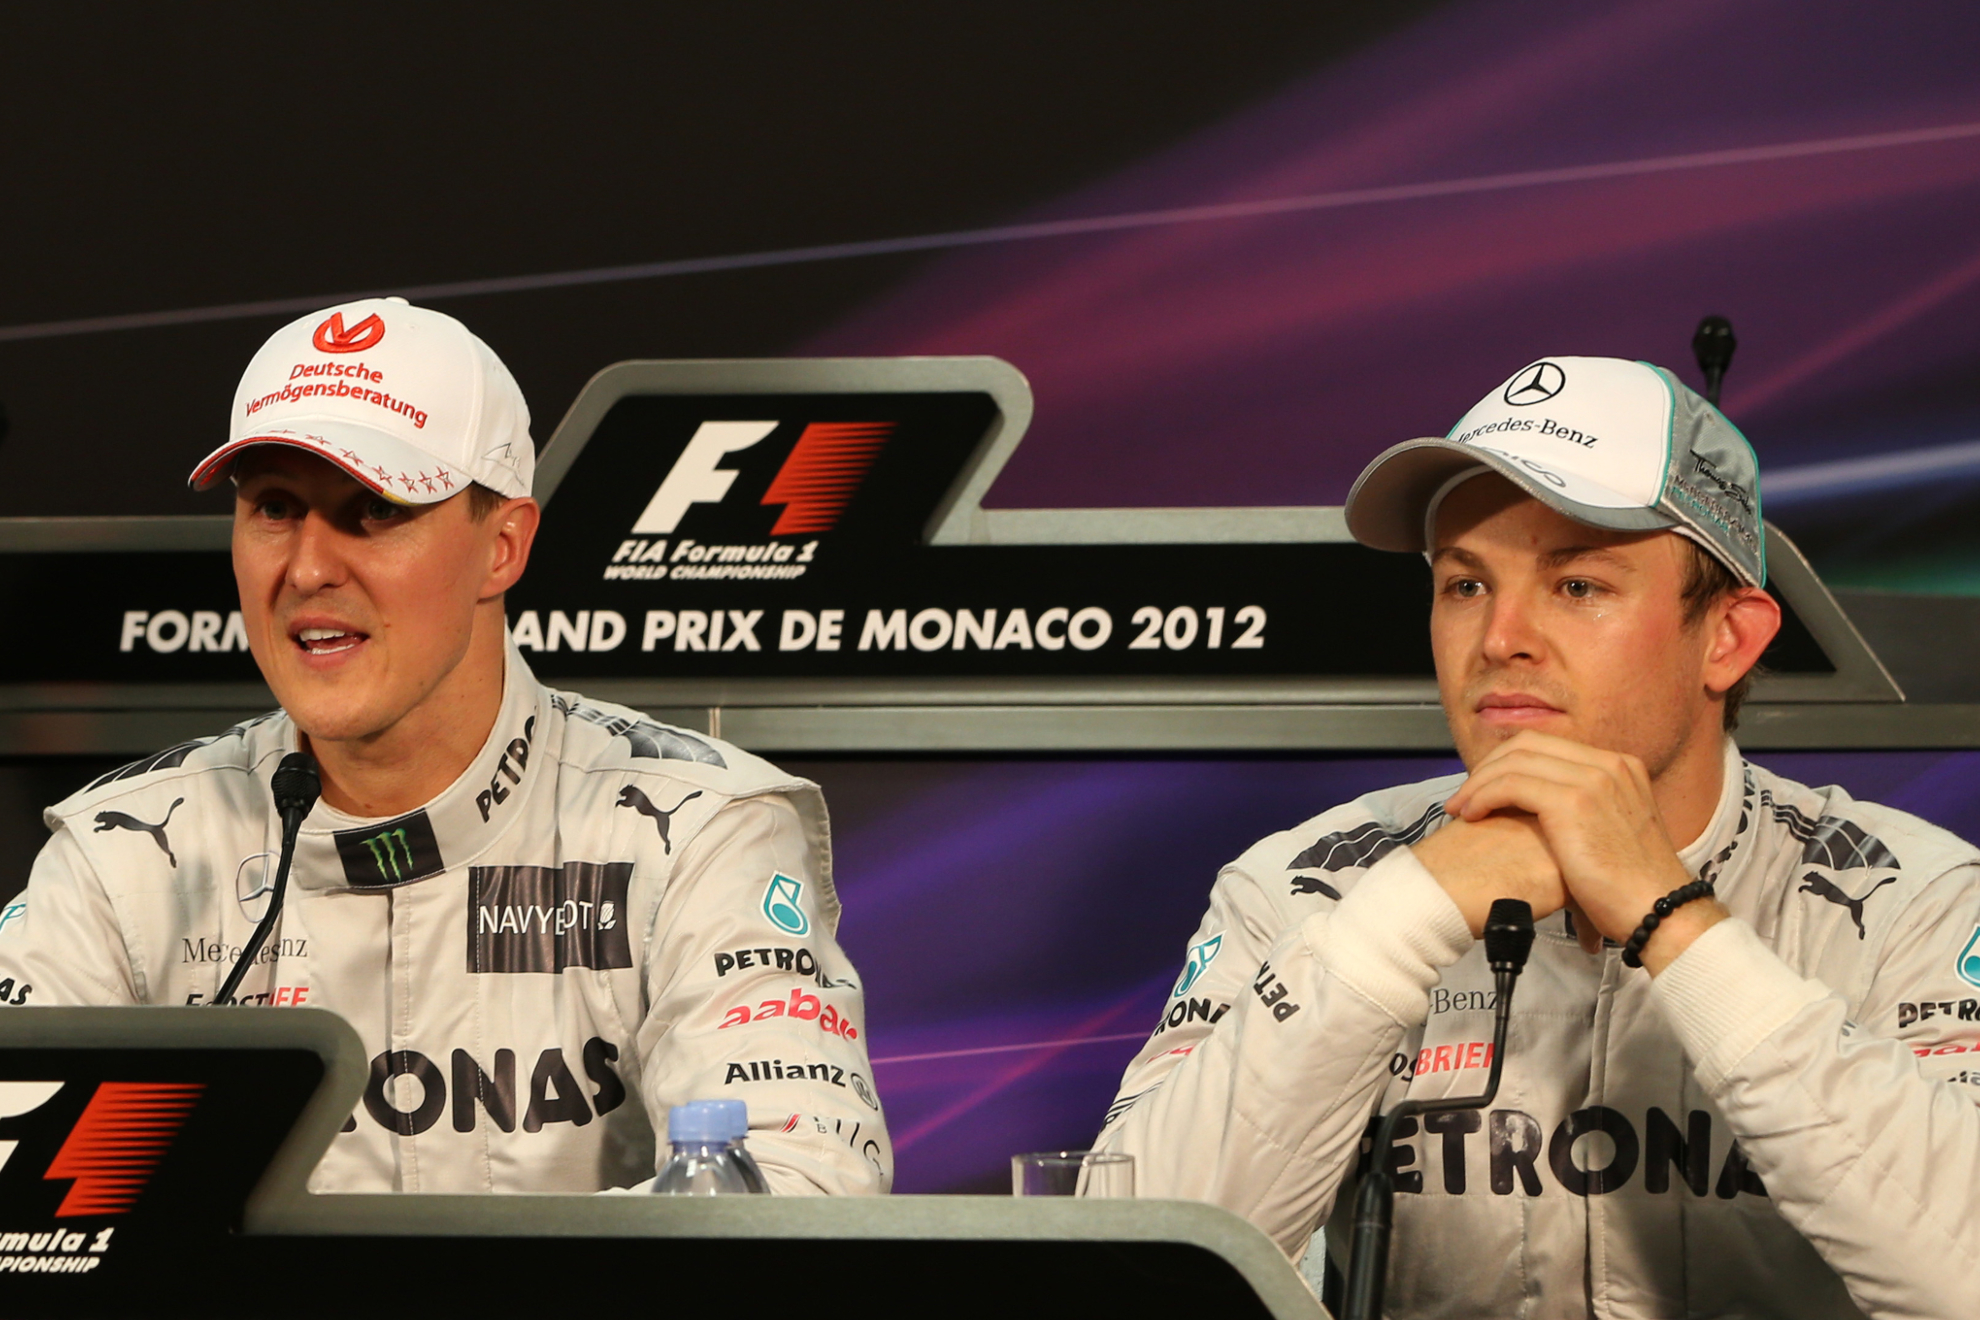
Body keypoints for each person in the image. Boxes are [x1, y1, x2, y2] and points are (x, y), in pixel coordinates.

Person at [1097, 357, 1980, 1318]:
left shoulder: (1908, 898)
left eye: (1578, 586)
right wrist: (1404, 920)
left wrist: (1675, 920)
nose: (1501, 638)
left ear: (1726, 638)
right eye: (1466, 585)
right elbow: (1127, 1270)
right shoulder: (1308, 885)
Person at [0, 298, 891, 1196]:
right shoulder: (119, 859)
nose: (307, 569)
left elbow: (793, 1194)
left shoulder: (696, 833)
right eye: (275, 507)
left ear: (502, 546)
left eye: (373, 511)